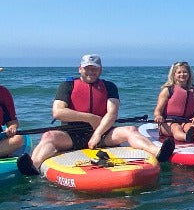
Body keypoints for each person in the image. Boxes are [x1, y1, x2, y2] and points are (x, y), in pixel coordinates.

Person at [18, 54, 173, 175]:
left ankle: (158, 152)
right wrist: (90, 117)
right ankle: (34, 166)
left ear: (100, 70)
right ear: (80, 69)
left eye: (95, 68)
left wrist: (97, 134)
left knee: (130, 130)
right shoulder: (67, 86)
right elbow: (58, 112)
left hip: (103, 133)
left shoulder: (109, 87)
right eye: (87, 68)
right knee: (49, 137)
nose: (91, 71)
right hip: (72, 135)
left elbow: (112, 113)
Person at [154, 61, 194, 143]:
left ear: (189, 74)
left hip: (186, 121)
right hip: (168, 122)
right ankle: (186, 137)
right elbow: (158, 110)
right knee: (176, 128)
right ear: (174, 75)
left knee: (192, 127)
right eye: (179, 72)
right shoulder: (167, 90)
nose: (182, 74)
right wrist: (158, 116)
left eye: (185, 72)